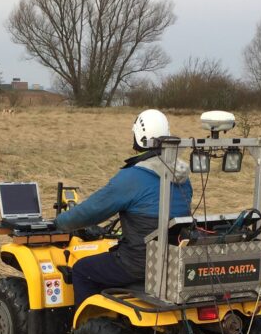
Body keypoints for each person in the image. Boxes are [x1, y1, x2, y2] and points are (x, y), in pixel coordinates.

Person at [54, 109, 192, 306]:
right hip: (172, 262)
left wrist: (58, 222)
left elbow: (91, 211)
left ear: (138, 137)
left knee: (82, 270)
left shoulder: (133, 177)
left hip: (137, 263)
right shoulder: (183, 178)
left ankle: (85, 330)